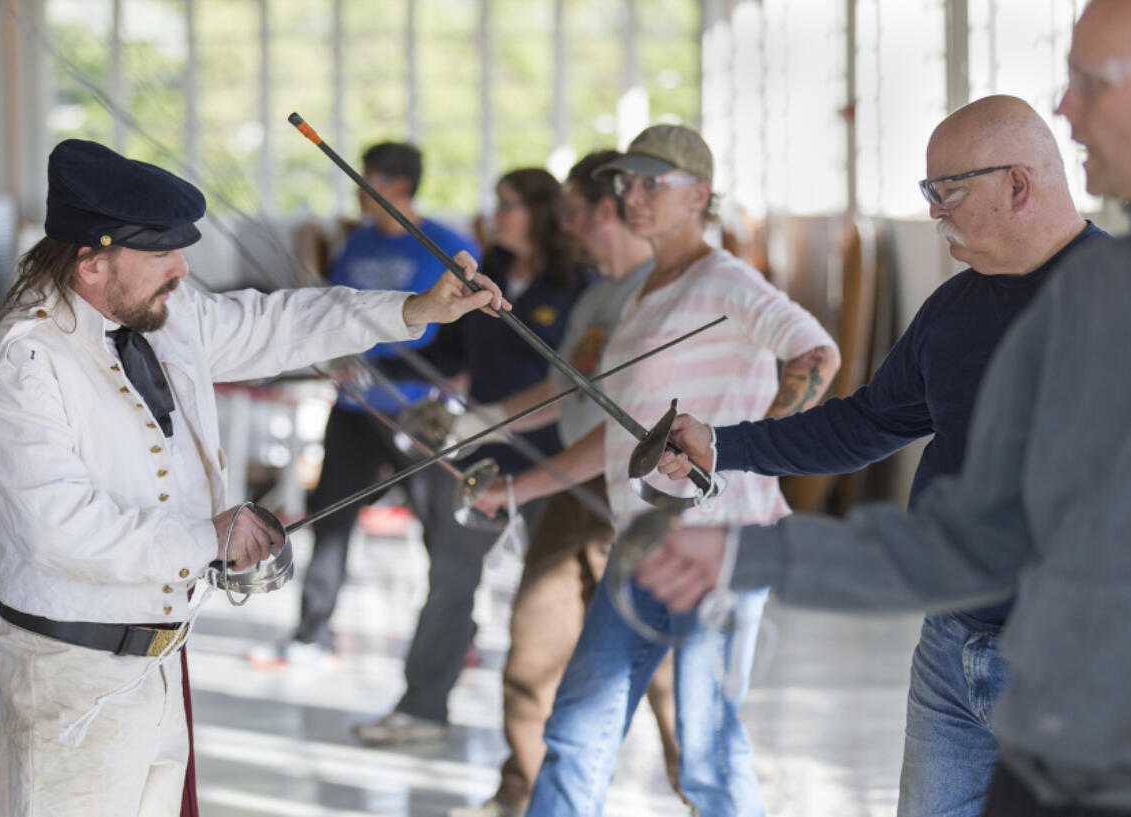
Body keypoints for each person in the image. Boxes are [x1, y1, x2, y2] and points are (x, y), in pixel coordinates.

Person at [637, 3, 1131, 813]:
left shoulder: (1116, 306)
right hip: (952, 643)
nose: (935, 209)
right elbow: (869, 424)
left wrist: (758, 557)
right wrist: (722, 447)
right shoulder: (958, 308)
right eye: (926, 191)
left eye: (947, 190)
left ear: (1019, 185)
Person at [0, 138, 505, 817]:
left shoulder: (163, 312)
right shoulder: (27, 363)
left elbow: (279, 323)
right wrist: (206, 536)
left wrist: (413, 310)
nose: (181, 267)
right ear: (93, 263)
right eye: (160, 251)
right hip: (74, 679)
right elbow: (57, 532)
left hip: (160, 661)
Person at [503, 125, 838, 816]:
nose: (634, 196)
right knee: (576, 730)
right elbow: (615, 432)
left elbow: (816, 354)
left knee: (707, 749)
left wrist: (751, 445)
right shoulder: (640, 295)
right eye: (627, 183)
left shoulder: (727, 281)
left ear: (700, 195)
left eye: (653, 183)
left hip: (723, 542)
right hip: (645, 539)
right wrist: (515, 489)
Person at [448, 150, 681, 817]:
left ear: (603, 211)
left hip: (649, 512)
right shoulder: (596, 294)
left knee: (670, 682)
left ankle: (705, 798)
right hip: (579, 499)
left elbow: (630, 427)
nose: (566, 224)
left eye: (573, 210)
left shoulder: (660, 292)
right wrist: (487, 422)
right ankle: (521, 796)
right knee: (533, 654)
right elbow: (567, 389)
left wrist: (522, 481)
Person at [352, 167, 593, 747]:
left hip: (552, 462)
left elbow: (570, 385)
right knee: (450, 581)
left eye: (508, 204)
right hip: (480, 457)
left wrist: (485, 418)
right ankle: (421, 709)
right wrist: (365, 361)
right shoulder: (496, 275)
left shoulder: (578, 287)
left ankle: (567, 727)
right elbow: (450, 349)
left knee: (554, 598)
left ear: (541, 213)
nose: (496, 213)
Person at [249, 141, 481, 667]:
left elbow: (461, 339)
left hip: (419, 413)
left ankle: (456, 636)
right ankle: (313, 633)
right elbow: (333, 311)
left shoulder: (449, 246)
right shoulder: (356, 245)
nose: (357, 193)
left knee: (441, 529)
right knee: (328, 519)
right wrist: (334, 356)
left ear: (396, 186)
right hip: (353, 408)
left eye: (366, 181)